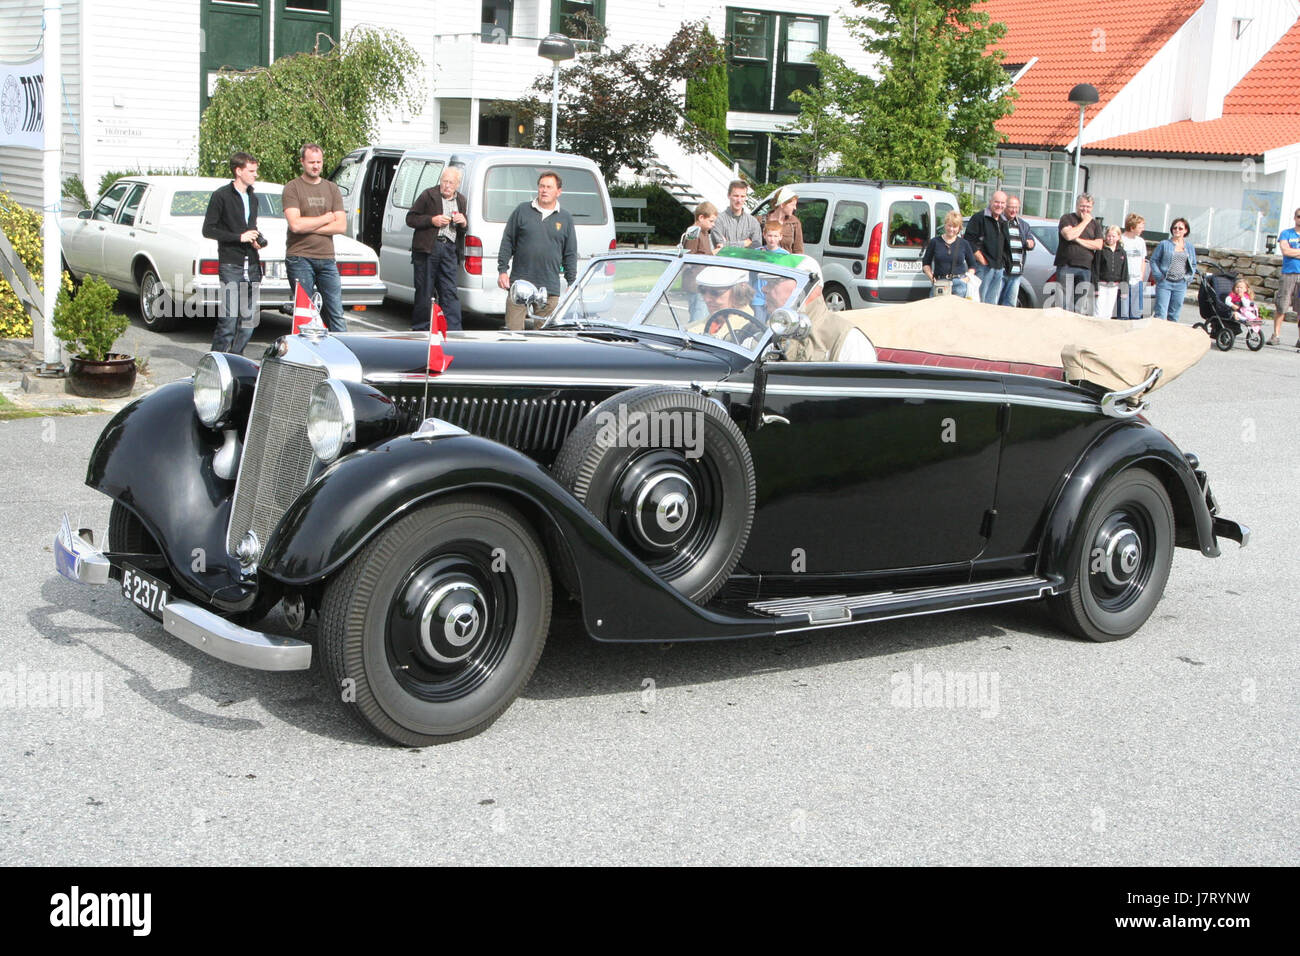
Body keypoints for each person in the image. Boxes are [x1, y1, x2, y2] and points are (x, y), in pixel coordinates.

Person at [202, 151, 267, 354]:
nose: (255, 174)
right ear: (238, 171)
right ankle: (216, 362)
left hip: (252, 264)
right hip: (231, 263)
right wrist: (239, 237)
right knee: (228, 320)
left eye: (256, 170)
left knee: (248, 321)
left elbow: (250, 226)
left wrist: (256, 239)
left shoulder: (253, 197)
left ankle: (236, 359)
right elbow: (208, 229)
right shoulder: (221, 195)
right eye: (251, 171)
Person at [497, 169, 577, 331]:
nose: (544, 190)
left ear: (558, 192)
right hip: (519, 285)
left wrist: (572, 281)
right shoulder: (522, 210)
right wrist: (502, 270)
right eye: (541, 186)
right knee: (513, 336)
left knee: (544, 341)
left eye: (549, 187)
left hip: (549, 288)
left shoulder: (566, 218)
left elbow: (570, 253)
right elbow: (507, 241)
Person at [283, 143, 347, 332]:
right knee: (305, 312)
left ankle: (343, 353)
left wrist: (309, 226)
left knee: (336, 310)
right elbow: (295, 225)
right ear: (302, 162)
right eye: (311, 162)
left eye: (319, 162)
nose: (316, 166)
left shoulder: (332, 188)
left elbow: (341, 226)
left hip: (327, 258)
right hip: (299, 257)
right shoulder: (292, 188)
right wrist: (326, 219)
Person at [764, 256, 876, 363]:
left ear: (804, 286)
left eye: (774, 282)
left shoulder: (849, 340)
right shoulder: (764, 334)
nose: (764, 289)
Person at [407, 165, 467, 332]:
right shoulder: (428, 195)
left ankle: (453, 330)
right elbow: (411, 218)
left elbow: (462, 229)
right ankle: (421, 328)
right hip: (428, 249)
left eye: (451, 183)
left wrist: (463, 222)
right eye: (444, 181)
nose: (447, 185)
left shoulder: (461, 200)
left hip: (449, 249)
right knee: (424, 290)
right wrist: (432, 220)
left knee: (450, 291)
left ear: (457, 185)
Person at [1055, 193, 1103, 313]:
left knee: (1080, 305)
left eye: (1088, 207)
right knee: (1063, 303)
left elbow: (1098, 245)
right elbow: (1069, 235)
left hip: (1086, 268)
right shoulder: (1066, 218)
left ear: (1092, 208)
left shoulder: (1095, 224)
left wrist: (1077, 239)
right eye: (1082, 206)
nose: (1085, 209)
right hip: (1067, 266)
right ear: (1077, 205)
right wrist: (1085, 222)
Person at [964, 190, 1011, 304]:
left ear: (1005, 205)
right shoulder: (979, 217)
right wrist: (980, 258)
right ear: (990, 202)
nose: (999, 205)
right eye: (996, 202)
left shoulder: (1003, 221)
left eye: (1002, 203)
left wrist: (1004, 262)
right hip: (983, 268)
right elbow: (968, 240)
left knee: (992, 304)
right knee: (979, 301)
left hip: (998, 268)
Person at [1148, 217, 1197, 322]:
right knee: (1160, 313)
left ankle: (1171, 337)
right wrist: (1158, 275)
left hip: (1180, 284)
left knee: (1174, 314)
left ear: (1185, 230)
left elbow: (1193, 264)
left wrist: (1188, 278)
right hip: (1165, 282)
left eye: (1180, 228)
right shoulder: (1164, 244)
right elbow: (1154, 260)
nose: (1177, 230)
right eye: (1175, 228)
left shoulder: (1189, 247)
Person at [681, 201, 721, 322]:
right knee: (697, 319)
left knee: (702, 317)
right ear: (701, 217)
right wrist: (713, 253)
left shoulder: (704, 232)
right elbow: (689, 257)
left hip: (702, 282)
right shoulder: (693, 231)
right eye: (711, 221)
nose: (713, 225)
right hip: (695, 283)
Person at [923, 210, 977, 298]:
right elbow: (925, 263)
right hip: (940, 283)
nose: (951, 229)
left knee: (957, 311)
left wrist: (966, 279)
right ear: (945, 225)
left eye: (955, 226)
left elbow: (973, 265)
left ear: (959, 228)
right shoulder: (935, 242)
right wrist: (932, 278)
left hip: (959, 284)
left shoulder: (964, 243)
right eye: (949, 225)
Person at [998, 194, 1036, 307]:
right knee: (995, 303)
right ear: (1005, 207)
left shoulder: (1023, 225)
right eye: (1011, 207)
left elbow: (1031, 241)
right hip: (1001, 270)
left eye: (1016, 207)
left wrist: (1030, 243)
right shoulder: (999, 222)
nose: (1013, 210)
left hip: (1016, 272)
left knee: (1010, 304)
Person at [1273, 207, 1300, 346]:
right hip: (1289, 273)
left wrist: (1293, 251)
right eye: (1299, 216)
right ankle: (1276, 335)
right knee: (1282, 305)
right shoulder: (1286, 233)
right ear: (1295, 217)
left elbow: (1290, 251)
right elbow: (1285, 250)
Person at [1092, 225, 1129, 319]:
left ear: (1118, 237)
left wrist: (1124, 289)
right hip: (1102, 285)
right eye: (1109, 236)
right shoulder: (1101, 250)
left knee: (1108, 312)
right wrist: (1095, 288)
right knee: (1098, 311)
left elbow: (1124, 272)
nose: (1111, 238)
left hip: (1114, 286)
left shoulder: (1122, 252)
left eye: (1113, 236)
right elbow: (1095, 269)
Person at [713, 179, 761, 249]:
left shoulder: (753, 222)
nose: (739, 200)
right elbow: (719, 246)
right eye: (736, 196)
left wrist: (726, 244)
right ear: (729, 196)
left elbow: (757, 247)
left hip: (746, 259)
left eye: (742, 196)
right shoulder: (718, 220)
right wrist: (744, 243)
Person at [1119, 214, 1147, 320]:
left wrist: (1141, 277)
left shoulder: (1140, 241)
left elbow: (1142, 260)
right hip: (1125, 280)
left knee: (1136, 313)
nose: (1142, 230)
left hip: (1137, 280)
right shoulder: (1121, 240)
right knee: (1123, 312)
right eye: (1140, 227)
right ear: (1132, 227)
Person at [766, 185, 804, 253]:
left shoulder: (794, 223)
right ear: (782, 205)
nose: (795, 208)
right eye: (792, 205)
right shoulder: (762, 221)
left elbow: (798, 250)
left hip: (786, 262)